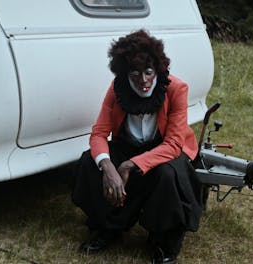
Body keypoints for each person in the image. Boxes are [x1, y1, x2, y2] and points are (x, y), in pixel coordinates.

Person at [71, 29, 203, 264]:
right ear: (125, 73)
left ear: (157, 70)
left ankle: (164, 241)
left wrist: (130, 166)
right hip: (128, 145)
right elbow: (99, 133)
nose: (143, 80)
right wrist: (108, 167)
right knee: (89, 162)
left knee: (167, 174)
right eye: (135, 74)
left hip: (164, 149)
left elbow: (173, 144)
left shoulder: (175, 88)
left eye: (148, 72)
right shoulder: (116, 89)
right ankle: (108, 228)